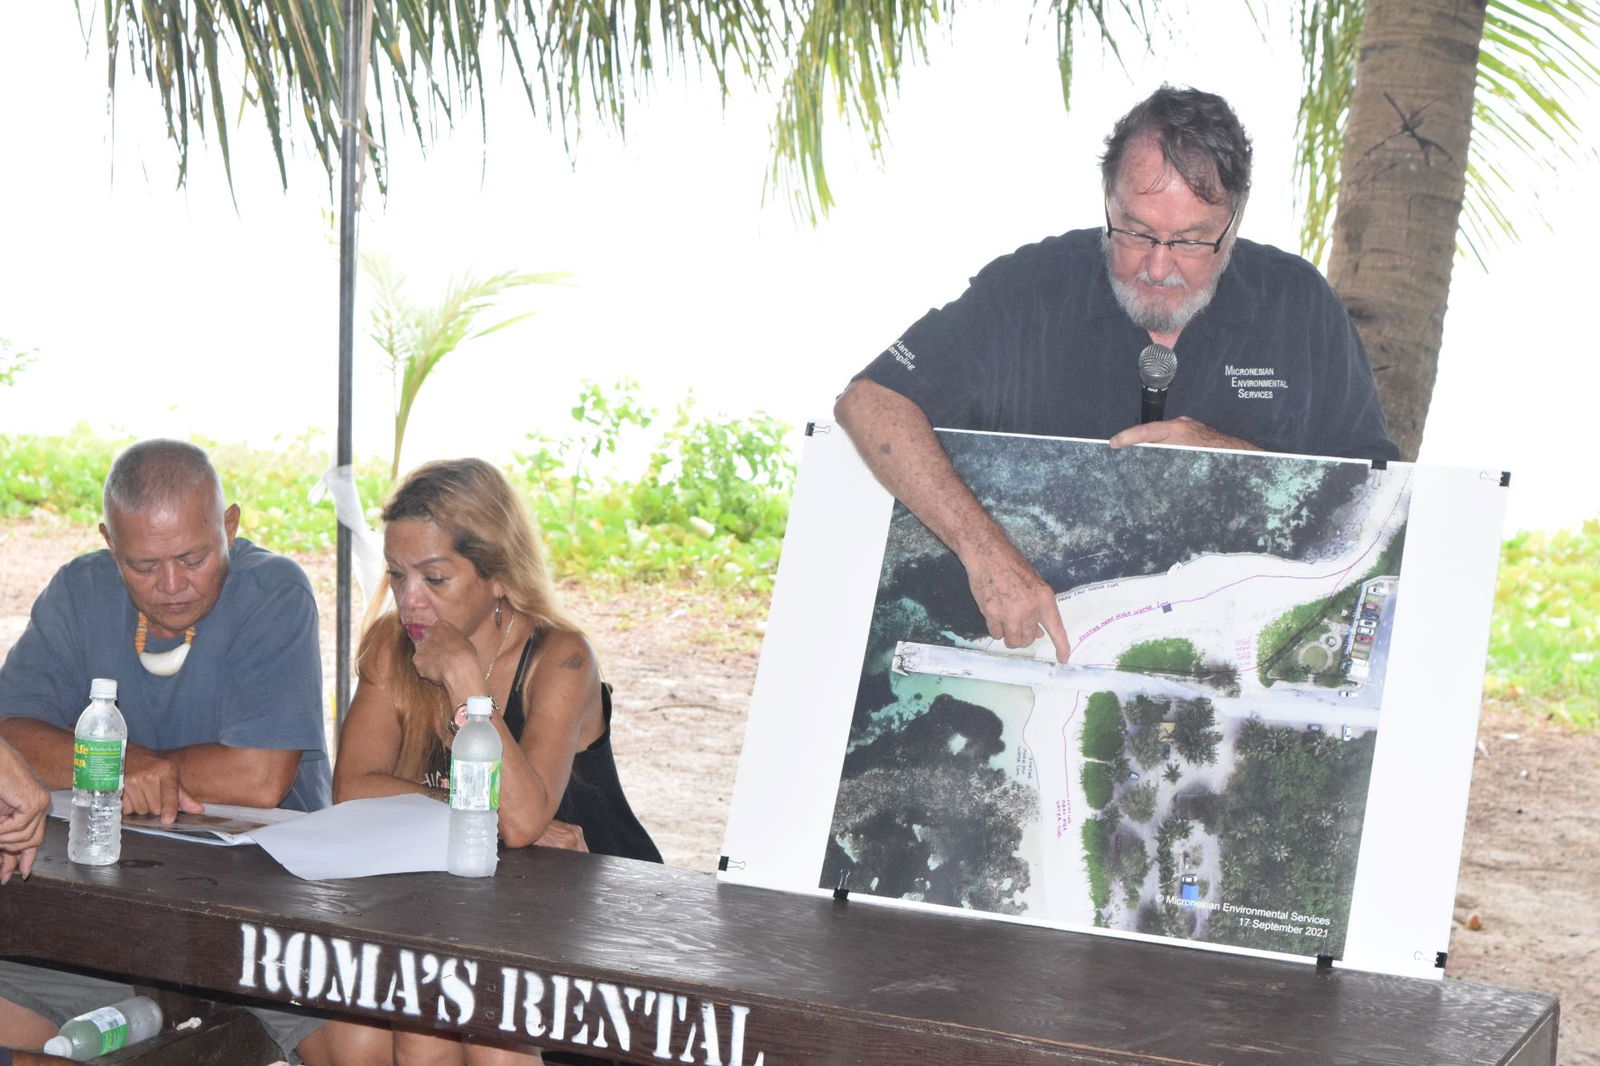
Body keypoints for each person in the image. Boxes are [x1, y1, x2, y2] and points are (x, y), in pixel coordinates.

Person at [834, 85, 1400, 665]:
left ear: (1235, 220)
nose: (1157, 266)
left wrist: (1233, 462)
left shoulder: (1298, 305)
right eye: (1134, 230)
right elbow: (870, 401)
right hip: (1020, 646)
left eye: (1191, 240)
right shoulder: (1030, 287)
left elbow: (1382, 492)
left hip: (1232, 654)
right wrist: (988, 556)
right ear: (1107, 198)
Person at [300, 458, 660, 1066]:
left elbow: (520, 821)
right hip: (465, 911)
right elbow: (354, 787)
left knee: (472, 1040)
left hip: (584, 923)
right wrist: (472, 813)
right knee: (372, 1032)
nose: (409, 600)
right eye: (396, 575)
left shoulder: (562, 658)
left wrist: (470, 687)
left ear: (498, 576)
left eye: (434, 579)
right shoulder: (394, 646)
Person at [0, 438, 331, 1061]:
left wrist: (137, 768)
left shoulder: (273, 591)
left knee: (364, 1045)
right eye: (143, 566)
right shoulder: (78, 589)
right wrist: (126, 765)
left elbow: (259, 775)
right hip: (96, 915)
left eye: (193, 557)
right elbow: (11, 737)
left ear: (230, 526)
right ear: (108, 541)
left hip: (262, 918)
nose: (172, 586)